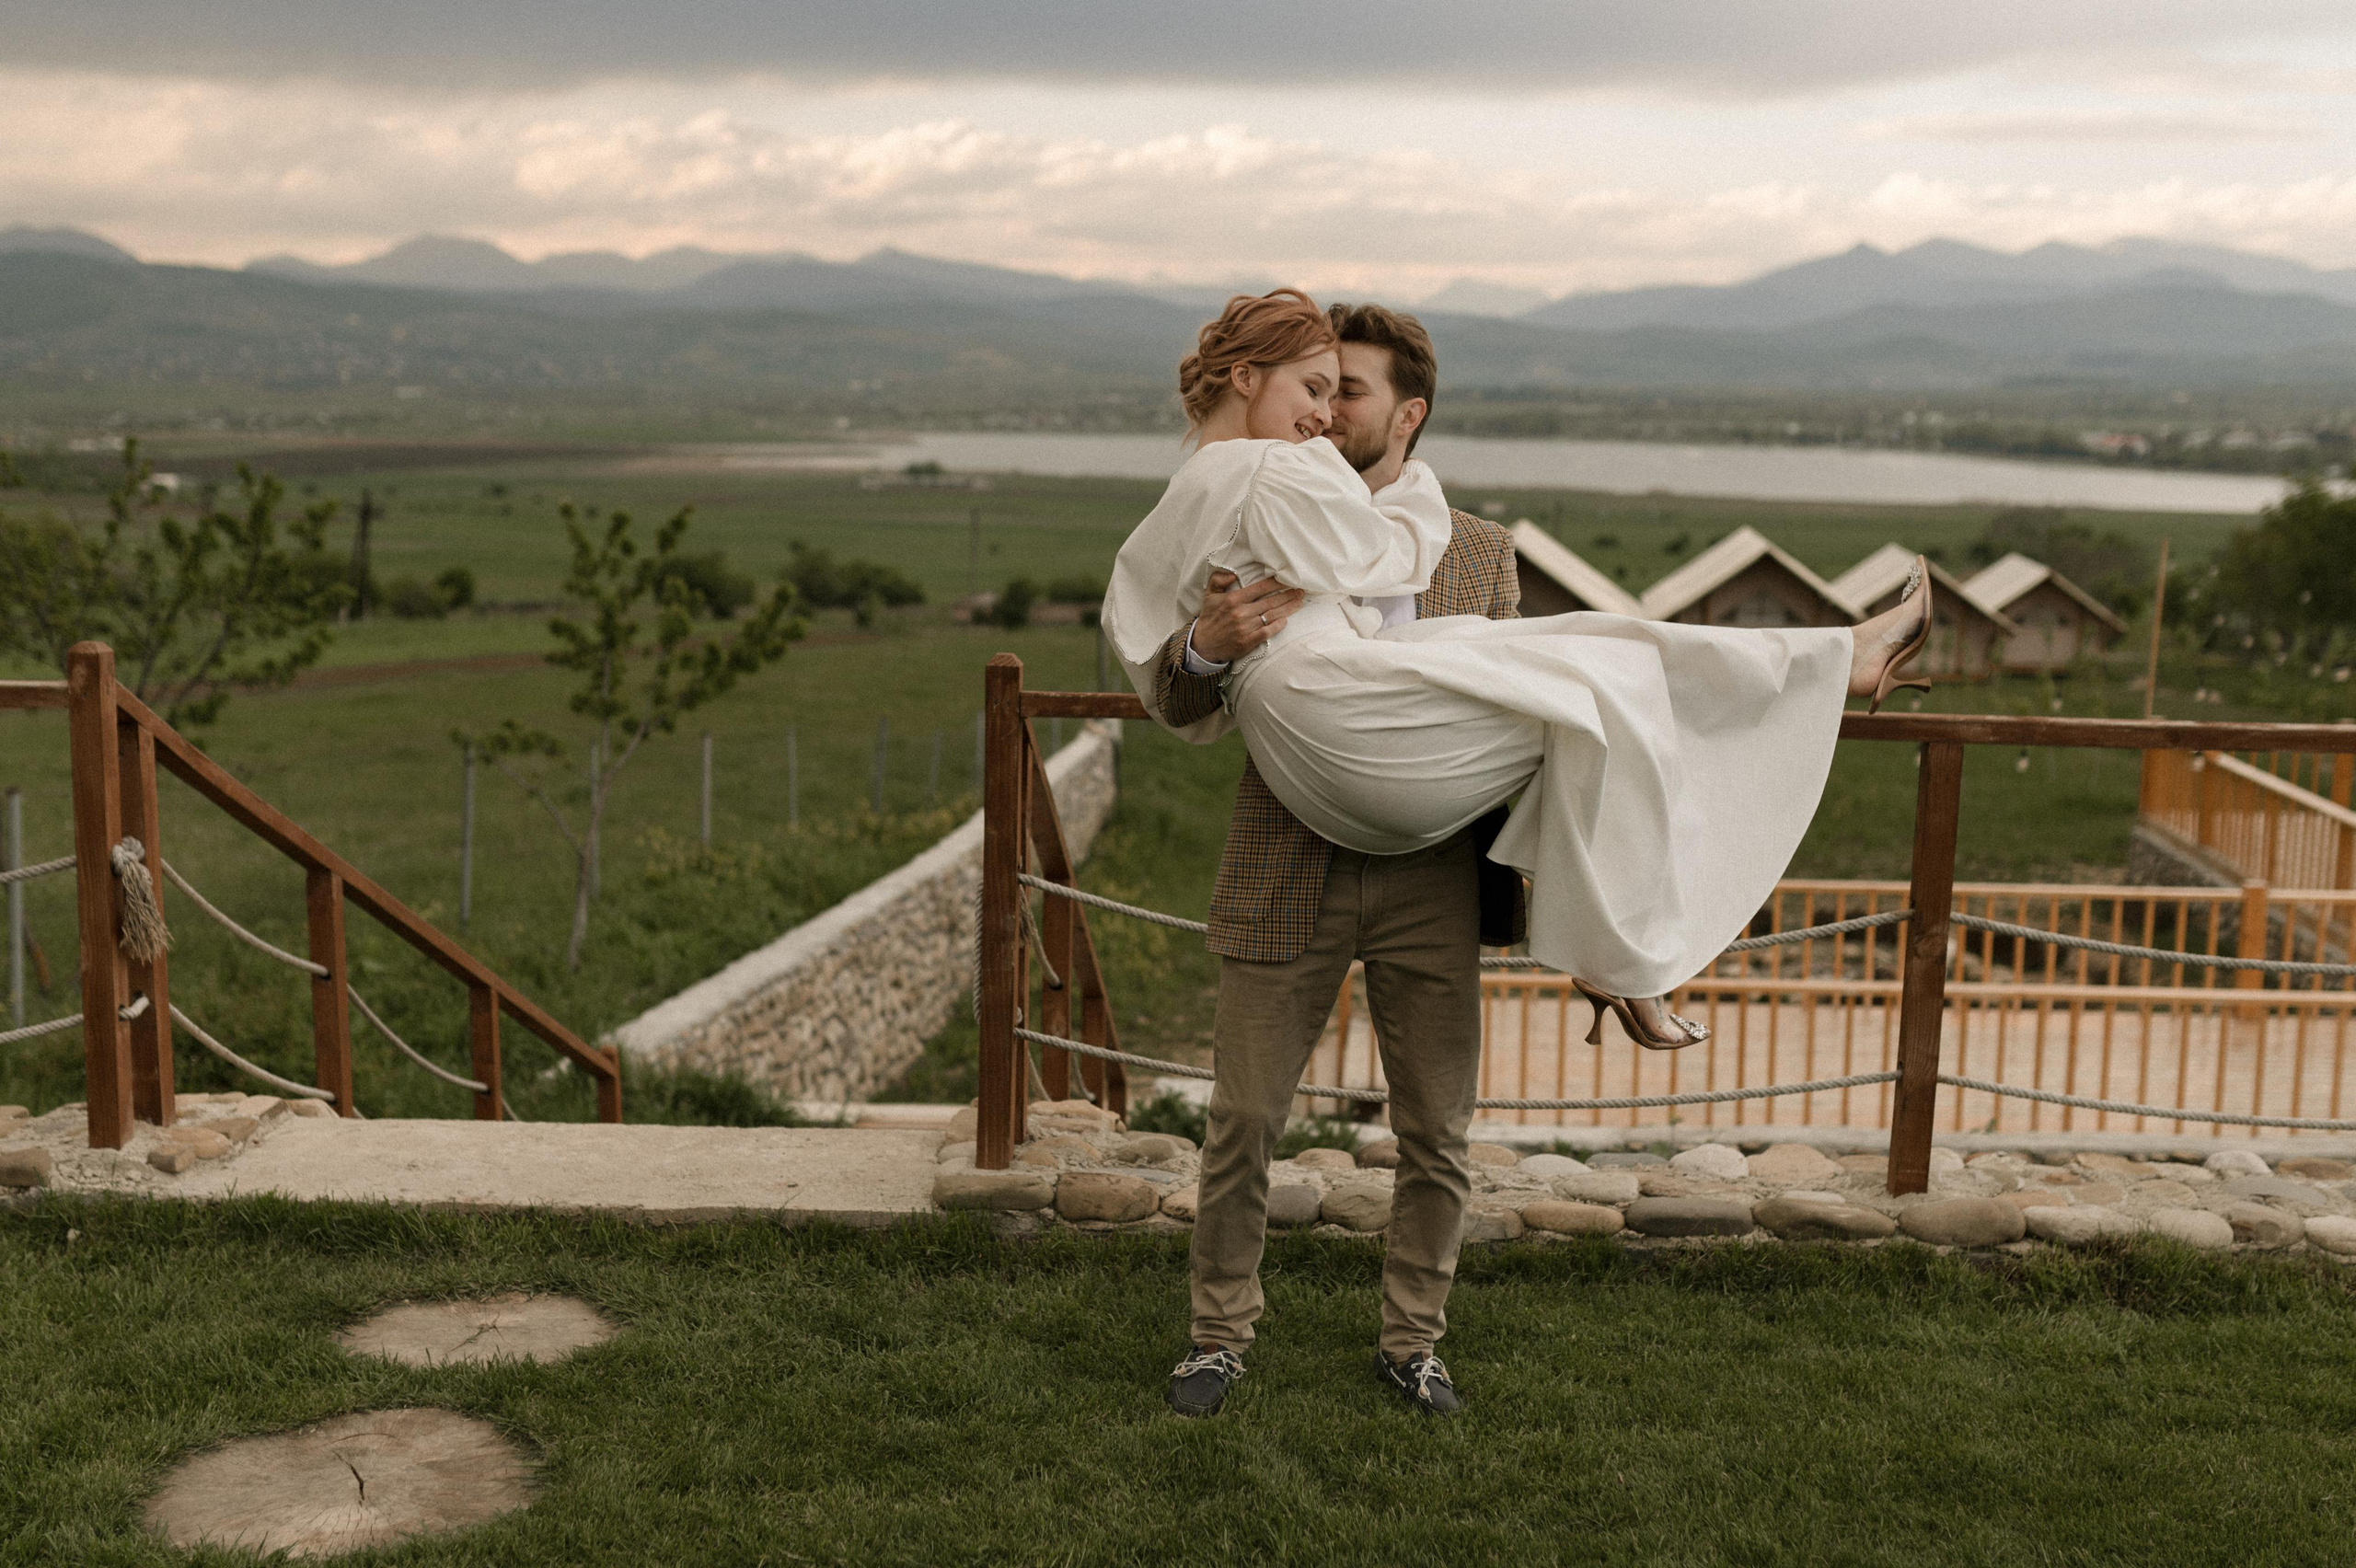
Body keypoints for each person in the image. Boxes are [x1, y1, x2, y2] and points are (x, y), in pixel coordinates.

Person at [1103, 291, 1929, 1420]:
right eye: (1316, 386)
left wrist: (1587, 924)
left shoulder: (1475, 553)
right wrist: (1206, 644)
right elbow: (1174, 683)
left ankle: (1412, 1343)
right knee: (1243, 1117)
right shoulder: (1256, 501)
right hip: (1290, 854)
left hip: (1434, 871)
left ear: (1406, 415)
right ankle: (1216, 1338)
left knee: (1436, 1127)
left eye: (1348, 391)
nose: (1326, 410)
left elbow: (1535, 749)